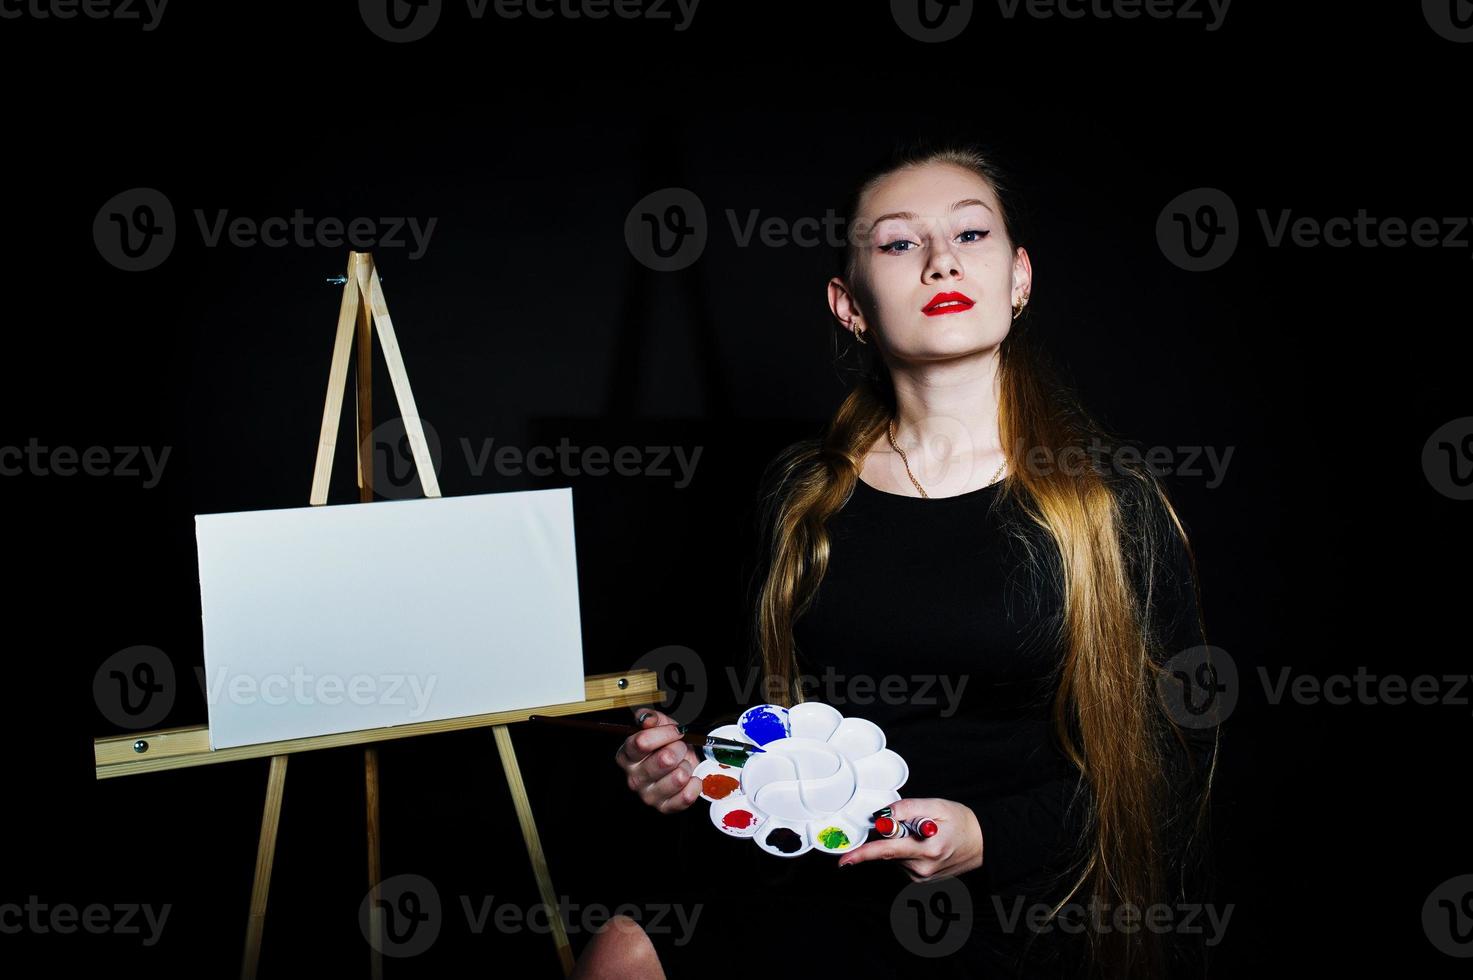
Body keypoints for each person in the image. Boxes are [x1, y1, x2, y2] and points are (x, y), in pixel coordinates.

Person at [575, 139, 1222, 979]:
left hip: (1024, 893)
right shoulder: (800, 493)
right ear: (848, 304)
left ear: (1018, 278)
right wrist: (699, 764)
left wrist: (986, 835)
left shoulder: (1104, 500)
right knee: (620, 950)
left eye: (970, 235)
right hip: (818, 878)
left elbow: (1170, 761)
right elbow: (768, 719)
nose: (940, 261)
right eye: (898, 242)